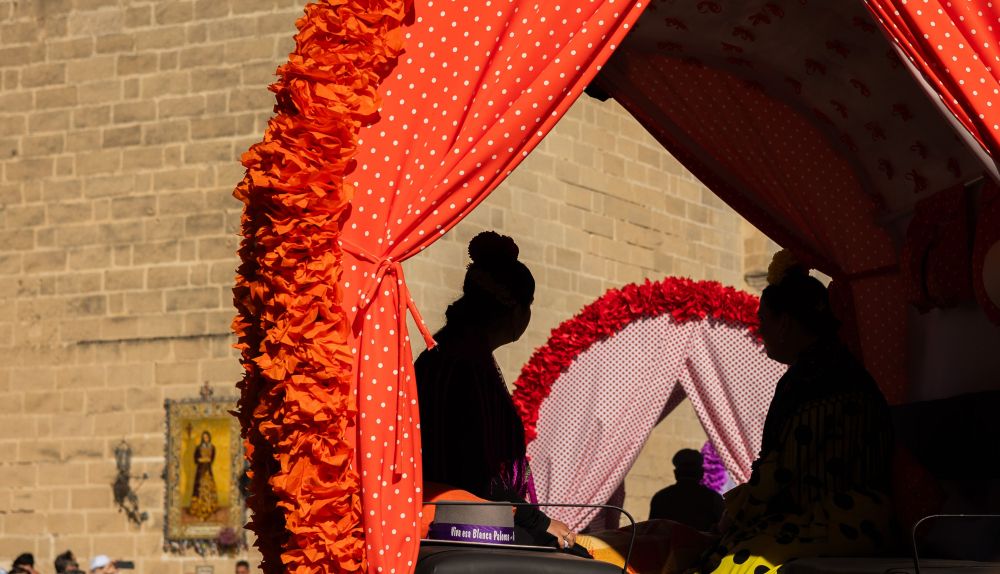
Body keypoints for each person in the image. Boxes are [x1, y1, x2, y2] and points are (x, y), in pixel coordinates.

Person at [700, 251, 893, 573]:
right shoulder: (832, 368)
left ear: (785, 323)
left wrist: (735, 515)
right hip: (847, 516)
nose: (760, 333)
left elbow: (782, 470)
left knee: (733, 565)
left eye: (764, 321)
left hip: (842, 520)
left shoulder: (815, 378)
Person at [415, 231, 576, 550]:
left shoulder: (459, 357)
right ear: (515, 310)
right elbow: (473, 469)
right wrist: (537, 522)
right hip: (460, 526)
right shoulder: (460, 365)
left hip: (474, 517)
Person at [648, 449, 725, 531]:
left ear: (676, 473)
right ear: (701, 473)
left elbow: (650, 532)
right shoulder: (714, 499)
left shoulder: (660, 498)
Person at [189, 430, 218, 520]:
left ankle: (210, 507)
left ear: (209, 437)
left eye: (207, 437)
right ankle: (198, 508)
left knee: (209, 487)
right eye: (204, 437)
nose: (205, 438)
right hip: (200, 470)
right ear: (202, 438)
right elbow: (195, 459)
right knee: (199, 488)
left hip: (208, 470)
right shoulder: (198, 447)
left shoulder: (212, 447)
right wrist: (200, 460)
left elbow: (212, 459)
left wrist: (207, 460)